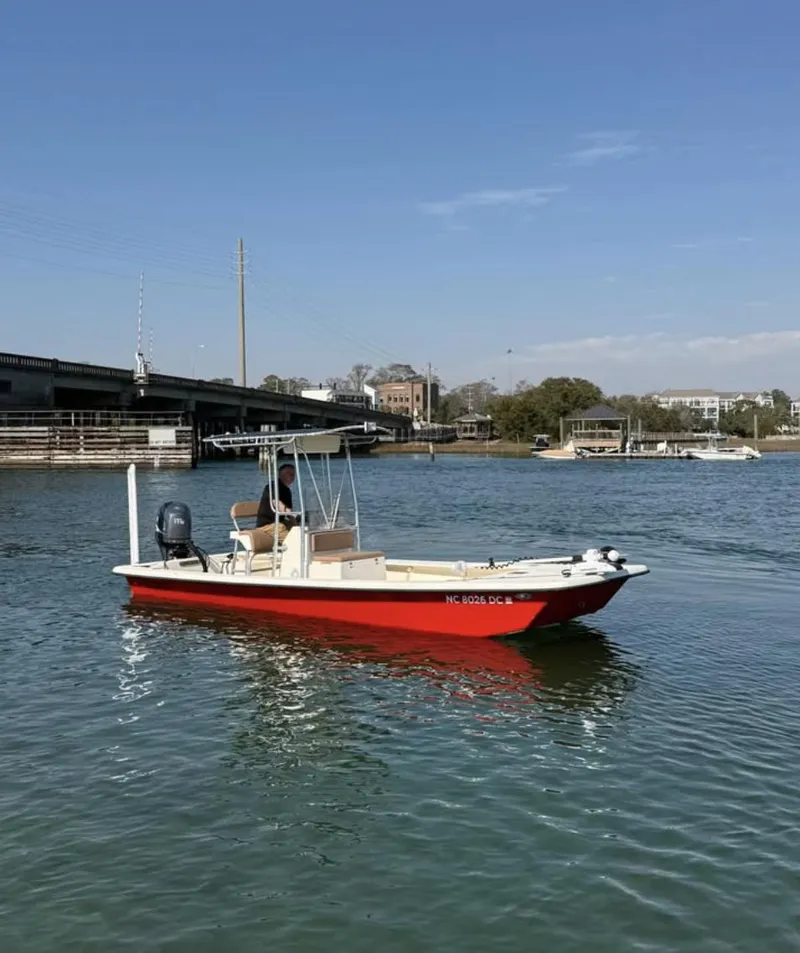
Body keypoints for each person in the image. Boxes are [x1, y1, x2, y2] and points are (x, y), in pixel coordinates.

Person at [255, 463, 298, 545]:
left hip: (280, 522)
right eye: (290, 474)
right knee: (292, 541)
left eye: (294, 474)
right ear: (281, 475)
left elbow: (289, 515)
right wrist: (290, 513)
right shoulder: (272, 486)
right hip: (267, 525)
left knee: (300, 531)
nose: (293, 477)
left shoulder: (287, 490)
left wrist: (297, 524)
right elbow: (277, 502)